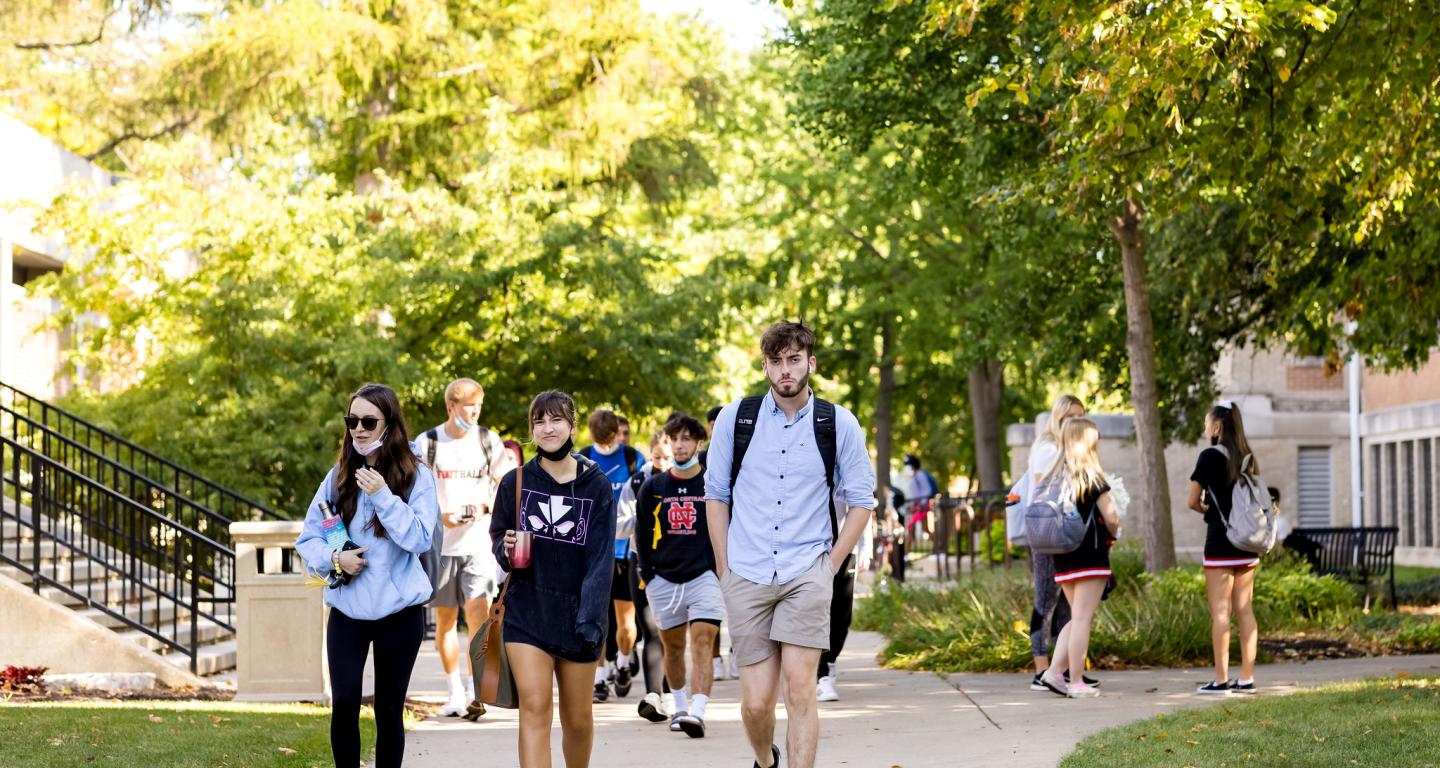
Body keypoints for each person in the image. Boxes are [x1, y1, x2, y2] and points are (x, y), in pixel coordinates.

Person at [705, 320, 876, 768]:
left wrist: (830, 566)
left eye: (794, 360)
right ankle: (765, 759)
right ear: (765, 366)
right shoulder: (734, 419)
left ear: (810, 363)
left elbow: (861, 502)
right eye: (777, 361)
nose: (786, 370)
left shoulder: (838, 423)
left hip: (807, 571)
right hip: (747, 571)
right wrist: (724, 566)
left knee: (800, 689)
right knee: (757, 704)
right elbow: (716, 496)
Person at [296, 383, 439, 768]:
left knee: (389, 709)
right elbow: (307, 539)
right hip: (347, 610)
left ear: (389, 424)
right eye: (351, 420)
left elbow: (420, 539)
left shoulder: (416, 476)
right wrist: (336, 558)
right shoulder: (338, 475)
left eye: (368, 421)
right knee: (343, 703)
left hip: (400, 612)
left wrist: (382, 495)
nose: (358, 428)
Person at [491, 390, 616, 768]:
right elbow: (499, 539)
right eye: (539, 421)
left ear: (572, 426)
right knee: (534, 707)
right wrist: (506, 547)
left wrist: (591, 620)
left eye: (556, 419)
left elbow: (601, 560)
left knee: (577, 722)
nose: (547, 428)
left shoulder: (597, 487)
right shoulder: (514, 483)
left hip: (580, 617)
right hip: (527, 612)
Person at [414, 377, 515, 718]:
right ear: (451, 407)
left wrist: (487, 507)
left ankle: (476, 692)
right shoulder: (426, 443)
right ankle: (454, 691)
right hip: (440, 546)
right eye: (469, 406)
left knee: (479, 616)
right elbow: (412, 491)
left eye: (479, 406)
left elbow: (509, 483)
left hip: (478, 544)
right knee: (444, 622)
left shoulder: (488, 440)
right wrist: (439, 515)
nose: (475, 412)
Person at [636, 413, 723, 737]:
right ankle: (680, 707)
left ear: (699, 443)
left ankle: (698, 712)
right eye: (675, 439)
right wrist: (649, 574)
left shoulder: (713, 483)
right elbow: (642, 534)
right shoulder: (654, 486)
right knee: (672, 648)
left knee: (702, 641)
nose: (681, 444)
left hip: (704, 576)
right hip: (664, 580)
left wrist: (721, 569)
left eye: (687, 438)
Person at [1035, 418, 1118, 700]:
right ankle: (1077, 681)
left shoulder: (1054, 478)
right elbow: (1112, 517)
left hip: (1063, 556)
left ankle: (1054, 672)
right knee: (1083, 619)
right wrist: (1114, 531)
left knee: (1076, 617)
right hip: (1090, 555)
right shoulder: (1092, 478)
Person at [1023, 395, 1099, 691]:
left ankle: (1064, 667)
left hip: (1066, 532)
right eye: (1070, 416)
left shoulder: (1069, 449)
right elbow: (1046, 494)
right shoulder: (1048, 448)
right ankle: (1042, 669)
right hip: (1047, 531)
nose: (1075, 421)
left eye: (1080, 415)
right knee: (1045, 599)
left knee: (1071, 608)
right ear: (1059, 418)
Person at [1188, 401, 1262, 694]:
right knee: (1244, 609)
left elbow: (1192, 501)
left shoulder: (1208, 457)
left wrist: (1208, 508)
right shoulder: (1247, 457)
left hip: (1220, 543)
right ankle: (1246, 678)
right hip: (1247, 543)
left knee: (1221, 612)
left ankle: (1221, 680)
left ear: (1217, 427)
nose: (1205, 430)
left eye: (1207, 424)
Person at [579, 408, 643, 702]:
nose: (604, 445)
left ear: (617, 432)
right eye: (599, 440)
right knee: (596, 619)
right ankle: (599, 679)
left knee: (625, 621)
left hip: (622, 553)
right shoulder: (581, 458)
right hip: (591, 552)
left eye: (608, 439)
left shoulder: (632, 459)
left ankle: (623, 662)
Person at [619, 429, 675, 723]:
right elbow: (619, 526)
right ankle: (654, 696)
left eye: (667, 458)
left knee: (672, 632)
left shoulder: (684, 483)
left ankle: (671, 693)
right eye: (657, 457)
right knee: (651, 629)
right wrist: (643, 514)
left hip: (676, 565)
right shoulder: (638, 482)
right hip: (641, 562)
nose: (663, 463)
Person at [816, 488, 858, 703]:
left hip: (846, 547)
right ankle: (820, 674)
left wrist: (864, 549)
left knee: (842, 614)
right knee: (817, 611)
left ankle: (830, 659)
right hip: (814, 548)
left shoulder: (847, 463)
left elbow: (861, 504)